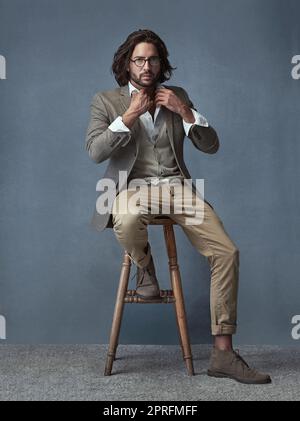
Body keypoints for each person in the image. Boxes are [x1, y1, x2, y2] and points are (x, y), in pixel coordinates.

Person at [85, 29, 271, 385]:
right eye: (138, 59)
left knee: (226, 252)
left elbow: (211, 145)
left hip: (176, 188)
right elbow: (95, 152)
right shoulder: (106, 100)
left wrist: (186, 112)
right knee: (123, 217)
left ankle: (223, 354)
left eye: (153, 59)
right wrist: (128, 115)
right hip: (130, 188)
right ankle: (146, 266)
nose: (146, 66)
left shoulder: (177, 95)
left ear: (161, 63)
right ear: (126, 64)